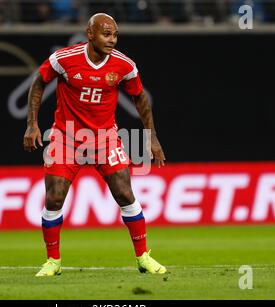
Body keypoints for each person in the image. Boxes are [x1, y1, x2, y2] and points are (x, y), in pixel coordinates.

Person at [23, 13, 167, 277]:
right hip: (65, 137)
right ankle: (53, 261)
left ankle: (143, 257)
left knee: (125, 193)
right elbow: (39, 83)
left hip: (104, 138)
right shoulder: (64, 59)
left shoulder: (124, 66)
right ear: (90, 34)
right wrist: (32, 124)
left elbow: (140, 99)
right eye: (106, 34)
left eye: (114, 34)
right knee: (54, 198)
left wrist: (151, 137)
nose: (112, 40)